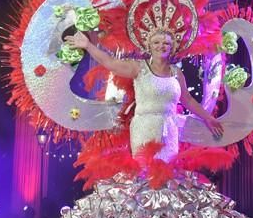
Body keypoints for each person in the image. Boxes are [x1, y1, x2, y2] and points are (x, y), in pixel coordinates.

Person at [64, 28, 224, 161]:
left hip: (169, 129)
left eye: (166, 43)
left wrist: (208, 118)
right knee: (146, 177)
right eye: (156, 42)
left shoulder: (177, 73)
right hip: (144, 128)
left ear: (172, 47)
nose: (161, 46)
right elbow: (110, 63)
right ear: (149, 46)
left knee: (166, 179)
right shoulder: (139, 68)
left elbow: (187, 100)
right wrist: (87, 45)